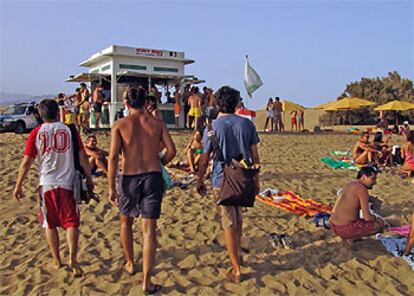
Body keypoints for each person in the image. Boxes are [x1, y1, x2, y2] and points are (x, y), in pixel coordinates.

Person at [13, 99, 93, 276]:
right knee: (72, 222)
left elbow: (27, 161)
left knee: (50, 223)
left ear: (40, 116)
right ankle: (72, 258)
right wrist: (89, 178)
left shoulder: (36, 132)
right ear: (58, 113)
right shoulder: (70, 130)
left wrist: (19, 185)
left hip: (46, 182)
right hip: (68, 183)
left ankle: (57, 260)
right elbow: (82, 157)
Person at [108, 86, 176, 294]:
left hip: (129, 177)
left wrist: (111, 187)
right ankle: (146, 281)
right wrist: (159, 161)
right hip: (152, 176)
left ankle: (130, 262)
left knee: (125, 222)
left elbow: (112, 158)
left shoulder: (120, 125)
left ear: (127, 104)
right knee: (149, 230)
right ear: (146, 102)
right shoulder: (157, 123)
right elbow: (172, 151)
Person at [197, 86, 260, 283]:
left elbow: (204, 158)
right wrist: (257, 180)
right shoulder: (247, 125)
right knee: (238, 217)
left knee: (228, 222)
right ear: (236, 103)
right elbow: (255, 156)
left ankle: (236, 267)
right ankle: (238, 255)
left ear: (217, 103)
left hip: (221, 179)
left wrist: (200, 179)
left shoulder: (212, 127)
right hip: (243, 177)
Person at [329, 166, 385, 249]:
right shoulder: (362, 189)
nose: (375, 182)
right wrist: (377, 219)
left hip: (333, 225)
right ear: (364, 177)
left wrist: (372, 199)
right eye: (373, 179)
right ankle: (350, 238)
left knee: (361, 221)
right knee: (379, 225)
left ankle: (351, 236)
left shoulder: (351, 184)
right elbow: (367, 218)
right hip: (344, 228)